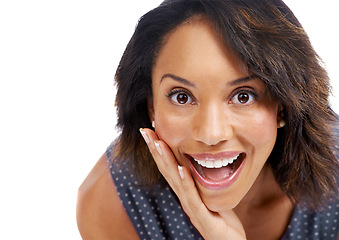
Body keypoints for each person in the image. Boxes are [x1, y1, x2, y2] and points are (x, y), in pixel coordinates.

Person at [76, 0, 339, 239]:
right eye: (181, 97)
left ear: (283, 106)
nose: (211, 134)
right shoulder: (112, 201)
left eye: (243, 96)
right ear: (151, 106)